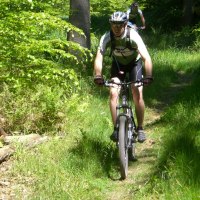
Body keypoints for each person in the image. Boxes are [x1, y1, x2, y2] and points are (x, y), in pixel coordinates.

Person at [93, 11, 153, 143]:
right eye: (114, 25)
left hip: (134, 65)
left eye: (119, 25)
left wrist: (148, 75)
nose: (116, 28)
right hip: (118, 66)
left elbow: (146, 57)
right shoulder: (107, 37)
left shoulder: (133, 35)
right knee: (113, 92)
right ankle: (116, 128)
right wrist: (98, 75)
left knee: (137, 91)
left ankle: (141, 128)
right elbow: (99, 57)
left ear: (125, 24)